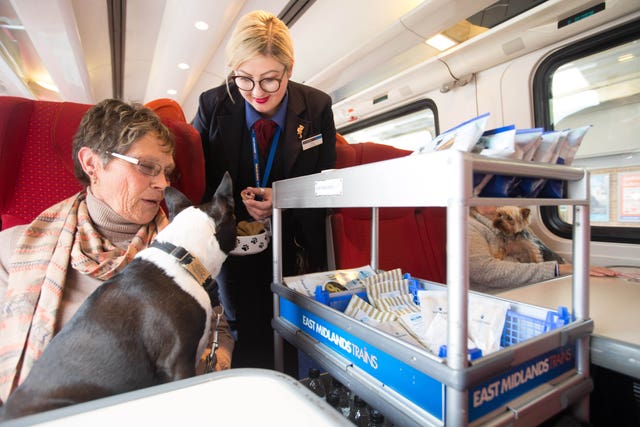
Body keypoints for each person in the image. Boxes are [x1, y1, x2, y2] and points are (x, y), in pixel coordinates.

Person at [0, 99, 234, 405]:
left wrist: (209, 364)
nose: (163, 184)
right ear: (92, 164)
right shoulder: (15, 250)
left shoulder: (190, 247)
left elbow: (218, 330)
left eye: (168, 173)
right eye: (147, 167)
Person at [192, 10, 336, 373]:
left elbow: (327, 182)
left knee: (291, 331)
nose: (257, 93)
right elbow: (200, 183)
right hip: (236, 243)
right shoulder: (213, 105)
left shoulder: (316, 107)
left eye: (271, 80)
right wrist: (233, 206)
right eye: (244, 79)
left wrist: (283, 200)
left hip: (295, 240)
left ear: (289, 68)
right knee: (245, 330)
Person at [469, 206, 618, 293]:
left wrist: (570, 269)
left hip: (535, 285)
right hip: (504, 294)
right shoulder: (468, 225)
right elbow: (485, 271)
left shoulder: (521, 227)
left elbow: (542, 253)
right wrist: (558, 269)